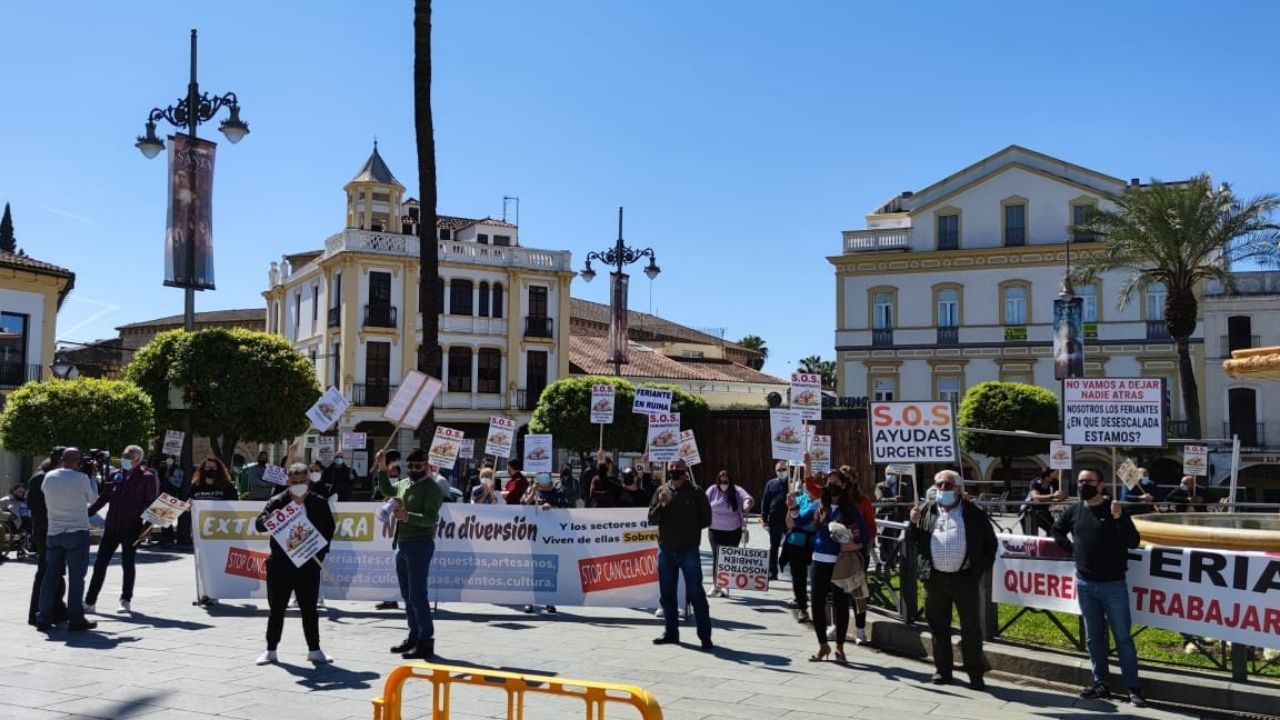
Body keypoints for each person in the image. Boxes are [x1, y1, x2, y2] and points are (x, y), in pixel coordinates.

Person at [1052, 468, 1146, 707]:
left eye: (1088, 481)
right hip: (1085, 583)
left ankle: (1133, 688)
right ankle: (1100, 683)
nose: (1083, 485)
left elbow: (1133, 541)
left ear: (1101, 485)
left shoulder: (1115, 509)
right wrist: (1072, 550)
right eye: (1080, 481)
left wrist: (1119, 519)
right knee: (1094, 638)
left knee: (1123, 637)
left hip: (1113, 584)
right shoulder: (1075, 510)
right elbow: (1057, 530)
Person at [908, 469, 997, 690]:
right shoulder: (926, 510)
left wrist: (978, 569)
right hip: (935, 578)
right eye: (938, 485)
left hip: (964, 578)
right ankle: (943, 670)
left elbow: (990, 542)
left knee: (971, 628)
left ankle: (975, 673)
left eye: (947, 485)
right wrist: (912, 523)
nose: (942, 489)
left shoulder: (972, 512)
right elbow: (913, 541)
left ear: (958, 489)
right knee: (938, 627)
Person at [254, 462, 336, 665]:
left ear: (308, 480)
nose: (298, 485)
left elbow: (328, 530)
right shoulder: (277, 501)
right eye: (294, 482)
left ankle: (314, 650)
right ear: (288, 482)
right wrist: (269, 518)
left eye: (302, 481)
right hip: (280, 564)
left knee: (310, 609)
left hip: (308, 564)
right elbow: (259, 524)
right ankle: (271, 650)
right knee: (277, 609)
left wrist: (319, 554)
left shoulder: (319, 502)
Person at [794, 469, 869, 663]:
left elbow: (865, 535)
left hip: (840, 563)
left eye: (836, 482)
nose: (832, 485)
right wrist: (792, 507)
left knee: (840, 605)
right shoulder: (819, 506)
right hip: (819, 561)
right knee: (817, 604)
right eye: (829, 482)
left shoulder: (850, 510)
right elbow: (798, 520)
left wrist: (852, 545)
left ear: (844, 486)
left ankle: (840, 648)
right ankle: (822, 645)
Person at [376, 449, 445, 660]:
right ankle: (414, 635)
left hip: (420, 543)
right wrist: (381, 468)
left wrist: (408, 516)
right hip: (403, 544)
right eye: (411, 466)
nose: (414, 470)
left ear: (426, 466)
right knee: (407, 595)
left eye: (419, 466)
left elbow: (430, 519)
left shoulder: (431, 488)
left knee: (417, 594)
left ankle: (426, 641)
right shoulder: (405, 484)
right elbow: (387, 488)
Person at [84, 445, 158, 615]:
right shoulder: (115, 474)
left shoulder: (147, 477)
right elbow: (104, 498)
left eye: (129, 456)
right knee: (100, 564)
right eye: (124, 455)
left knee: (128, 564)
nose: (125, 458)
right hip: (111, 526)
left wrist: (147, 528)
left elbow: (151, 504)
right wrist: (88, 513)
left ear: (138, 459)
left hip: (132, 527)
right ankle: (90, 601)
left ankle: (125, 600)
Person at [649, 459, 713, 650]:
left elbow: (706, 519)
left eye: (679, 469)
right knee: (667, 594)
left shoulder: (696, 492)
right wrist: (662, 505)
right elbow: (652, 518)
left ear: (685, 471)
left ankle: (705, 636)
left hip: (689, 551)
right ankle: (671, 633)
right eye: (672, 469)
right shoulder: (661, 491)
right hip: (666, 550)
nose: (675, 472)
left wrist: (689, 529)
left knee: (696, 594)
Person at [35, 448, 98, 632]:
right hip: (77, 531)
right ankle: (76, 619)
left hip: (54, 532)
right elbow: (92, 498)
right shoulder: (81, 478)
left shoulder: (49, 477)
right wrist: (93, 476)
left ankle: (43, 617)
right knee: (77, 578)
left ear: (62, 460)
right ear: (79, 462)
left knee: (50, 577)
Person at [27, 450, 68, 626]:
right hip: (49, 530)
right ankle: (37, 613)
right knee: (46, 572)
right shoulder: (47, 478)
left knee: (56, 572)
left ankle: (57, 610)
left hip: (46, 529)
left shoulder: (40, 477)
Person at [522, 474, 570, 614]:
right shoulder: (532, 489)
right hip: (534, 536)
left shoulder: (557, 492)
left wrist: (552, 506)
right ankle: (529, 601)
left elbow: (566, 508)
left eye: (545, 476)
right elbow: (523, 504)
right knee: (532, 569)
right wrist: (533, 492)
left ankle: (549, 601)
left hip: (551, 538)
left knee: (548, 569)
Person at [706, 470, 754, 598]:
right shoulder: (712, 490)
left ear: (730, 481)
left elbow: (747, 498)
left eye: (726, 482)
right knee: (717, 557)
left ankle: (725, 586)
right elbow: (703, 501)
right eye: (721, 482)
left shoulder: (737, 491)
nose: (723, 484)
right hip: (715, 530)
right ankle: (715, 585)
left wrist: (746, 504)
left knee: (728, 559)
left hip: (733, 530)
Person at [782, 475, 823, 623]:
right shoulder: (800, 500)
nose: (808, 489)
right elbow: (789, 524)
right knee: (798, 577)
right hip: (796, 544)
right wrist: (791, 506)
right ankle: (802, 608)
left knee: (816, 577)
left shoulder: (821, 503)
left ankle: (819, 607)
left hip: (814, 544)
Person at [844, 469, 877, 645]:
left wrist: (865, 544)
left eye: (849, 479)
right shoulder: (836, 499)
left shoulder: (862, 500)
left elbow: (871, 525)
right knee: (838, 591)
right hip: (840, 552)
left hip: (858, 551)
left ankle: (860, 629)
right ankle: (838, 625)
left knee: (858, 592)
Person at [760, 461, 790, 581]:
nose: (781, 472)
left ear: (788, 470)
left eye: (783, 469)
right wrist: (764, 517)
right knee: (774, 546)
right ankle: (773, 571)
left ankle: (790, 569)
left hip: (789, 519)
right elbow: (765, 500)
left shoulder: (794, 483)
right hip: (775, 519)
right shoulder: (771, 484)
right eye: (779, 470)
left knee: (791, 546)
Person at [1022, 469, 1065, 536]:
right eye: (1054, 472)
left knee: (1053, 530)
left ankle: (1049, 545)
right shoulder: (1035, 482)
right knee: (1030, 536)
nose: (1057, 473)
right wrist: (1053, 495)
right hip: (1029, 511)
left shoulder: (1054, 482)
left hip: (1044, 510)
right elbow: (1036, 497)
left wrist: (1062, 495)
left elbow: (1059, 495)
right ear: (1046, 476)